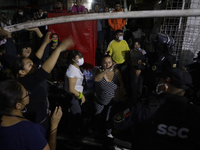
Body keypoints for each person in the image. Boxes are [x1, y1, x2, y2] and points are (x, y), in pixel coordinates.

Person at [112, 67, 200, 150]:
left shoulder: (146, 106)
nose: (157, 83)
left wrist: (118, 103)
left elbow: (118, 123)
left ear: (164, 86)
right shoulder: (195, 114)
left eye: (159, 80)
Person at [10, 33, 74, 130]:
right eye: (30, 65)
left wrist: (44, 43)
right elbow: (44, 72)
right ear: (21, 72)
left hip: (42, 116)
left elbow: (36, 59)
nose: (34, 65)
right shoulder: (23, 82)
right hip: (35, 124)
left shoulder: (28, 76)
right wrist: (58, 50)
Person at [0, 80, 62, 150]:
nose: (28, 92)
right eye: (26, 94)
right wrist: (54, 125)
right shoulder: (30, 130)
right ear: (18, 105)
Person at [92, 52, 124, 136]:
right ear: (101, 63)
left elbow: (121, 84)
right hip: (99, 100)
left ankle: (108, 134)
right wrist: (105, 70)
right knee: (97, 117)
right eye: (105, 62)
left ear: (112, 63)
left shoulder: (116, 71)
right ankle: (96, 133)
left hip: (112, 101)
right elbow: (96, 79)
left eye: (109, 62)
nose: (107, 64)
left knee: (108, 118)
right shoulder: (99, 70)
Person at [64, 50, 85, 149]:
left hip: (75, 97)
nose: (81, 59)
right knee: (75, 119)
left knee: (74, 118)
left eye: (81, 56)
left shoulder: (76, 68)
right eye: (79, 57)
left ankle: (73, 138)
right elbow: (71, 89)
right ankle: (71, 141)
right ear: (73, 59)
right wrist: (81, 96)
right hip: (74, 98)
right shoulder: (72, 70)